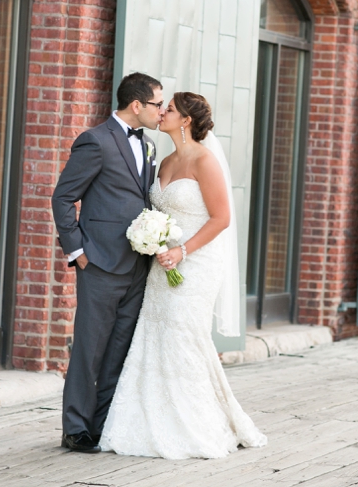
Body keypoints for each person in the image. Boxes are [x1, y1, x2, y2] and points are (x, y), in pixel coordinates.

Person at [99, 92, 267, 459]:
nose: (162, 113)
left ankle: (197, 424)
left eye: (169, 109)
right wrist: (153, 239)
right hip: (164, 264)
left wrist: (183, 250)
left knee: (184, 335)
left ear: (186, 120)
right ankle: (150, 421)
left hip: (196, 262)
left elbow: (221, 218)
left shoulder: (204, 161)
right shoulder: (165, 161)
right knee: (156, 333)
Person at [50, 72, 164, 453]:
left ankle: (102, 425)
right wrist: (78, 252)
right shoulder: (95, 141)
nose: (161, 111)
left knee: (120, 348)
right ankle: (76, 428)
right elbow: (63, 198)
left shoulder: (148, 146)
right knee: (90, 346)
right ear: (137, 105)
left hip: (137, 265)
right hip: (99, 263)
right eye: (157, 104)